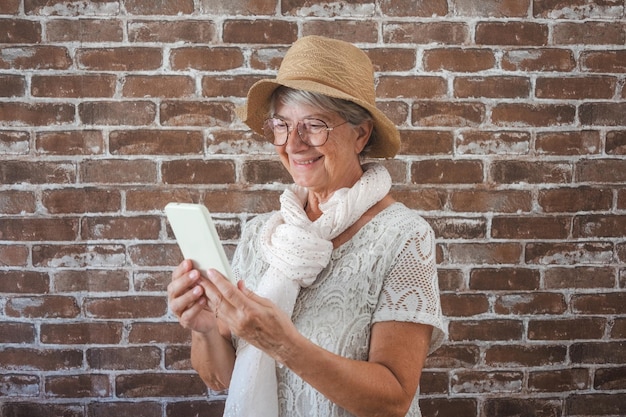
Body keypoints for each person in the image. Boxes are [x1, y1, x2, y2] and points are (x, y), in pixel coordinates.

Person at [167, 35, 446, 417]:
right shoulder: (262, 234)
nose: (294, 144)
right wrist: (203, 329)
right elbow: (226, 380)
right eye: (282, 124)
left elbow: (394, 398)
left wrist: (284, 344)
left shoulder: (403, 236)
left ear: (360, 134)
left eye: (314, 125)